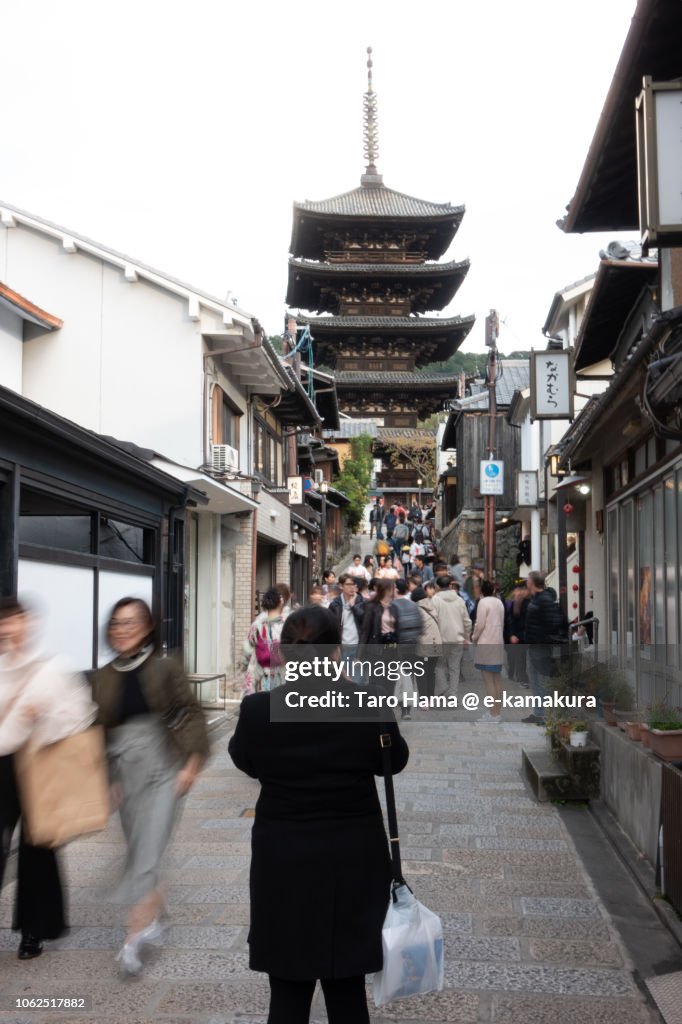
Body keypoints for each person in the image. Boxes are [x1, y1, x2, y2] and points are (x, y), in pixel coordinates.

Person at [228, 606, 409, 1024]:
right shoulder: (368, 703)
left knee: (287, 990)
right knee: (347, 987)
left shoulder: (257, 710)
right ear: (335, 652)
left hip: (283, 855)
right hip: (353, 852)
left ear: (285, 654)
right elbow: (393, 761)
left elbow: (245, 760)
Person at [91, 597, 209, 974]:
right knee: (139, 847)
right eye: (117, 623)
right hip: (125, 771)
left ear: (146, 629)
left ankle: (133, 938)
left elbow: (190, 712)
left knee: (149, 851)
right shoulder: (104, 674)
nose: (123, 630)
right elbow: (101, 732)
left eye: (132, 623)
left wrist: (191, 763)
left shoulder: (165, 667)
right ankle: (157, 913)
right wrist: (108, 780)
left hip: (163, 768)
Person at [0, 597, 97, 960]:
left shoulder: (53, 668)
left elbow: (80, 715)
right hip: (2, 765)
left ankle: (33, 931)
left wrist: (42, 715)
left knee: (37, 847)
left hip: (41, 763)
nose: (8, 629)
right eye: (3, 622)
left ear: (28, 623)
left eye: (14, 621)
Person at [522, 571, 568, 725]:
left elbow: (552, 622)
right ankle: (539, 712)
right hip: (534, 644)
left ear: (533, 582)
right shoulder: (537, 598)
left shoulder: (545, 599)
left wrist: (541, 636)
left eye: (528, 580)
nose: (526, 582)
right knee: (534, 679)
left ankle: (547, 714)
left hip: (541, 645)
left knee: (543, 680)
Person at [471, 580, 506, 723]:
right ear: (493, 590)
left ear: (482, 591)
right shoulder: (499, 603)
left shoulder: (483, 603)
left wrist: (474, 637)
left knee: (488, 680)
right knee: (497, 679)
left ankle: (492, 714)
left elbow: (480, 624)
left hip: (486, 642)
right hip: (498, 642)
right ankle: (497, 713)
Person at [431, 576, 471, 697]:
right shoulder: (460, 600)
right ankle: (453, 695)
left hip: (441, 639)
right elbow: (467, 622)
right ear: (450, 586)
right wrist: (466, 638)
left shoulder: (434, 600)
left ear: (438, 587)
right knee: (455, 669)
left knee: (439, 666)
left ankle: (443, 687)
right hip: (458, 639)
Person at [240, 588, 286, 694]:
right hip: (280, 671)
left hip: (259, 670)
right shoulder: (287, 625)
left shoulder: (257, 624)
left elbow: (247, 649)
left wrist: (244, 665)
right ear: (280, 602)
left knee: (258, 704)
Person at [328, 573, 365, 677]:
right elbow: (330, 627)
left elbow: (365, 621)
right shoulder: (335, 605)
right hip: (341, 647)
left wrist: (353, 607)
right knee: (343, 680)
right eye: (348, 584)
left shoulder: (361, 602)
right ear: (341, 586)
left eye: (354, 584)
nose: (352, 587)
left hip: (358, 648)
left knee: (357, 681)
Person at [416, 580, 441, 698]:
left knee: (422, 673)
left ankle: (424, 699)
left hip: (424, 645)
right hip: (436, 644)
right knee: (431, 672)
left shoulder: (418, 610)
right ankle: (430, 698)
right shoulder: (433, 606)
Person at [505, 582, 530, 686]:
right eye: (517, 590)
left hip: (526, 634)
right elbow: (511, 620)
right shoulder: (513, 603)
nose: (519, 592)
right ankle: (522, 678)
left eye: (521, 590)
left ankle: (523, 678)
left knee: (523, 658)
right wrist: (511, 634)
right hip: (518, 636)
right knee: (520, 658)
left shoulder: (528, 602)